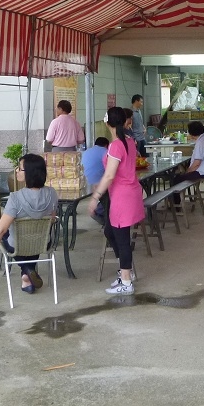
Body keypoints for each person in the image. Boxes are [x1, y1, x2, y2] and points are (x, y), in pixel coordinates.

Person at [0, 153, 57, 294]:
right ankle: (27, 276)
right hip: (43, 243)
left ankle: (26, 269)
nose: (16, 171)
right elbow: (52, 219)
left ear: (30, 173)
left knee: (4, 232)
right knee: (33, 236)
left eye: (20, 168)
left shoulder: (15, 198)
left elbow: (1, 231)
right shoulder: (52, 193)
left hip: (17, 246)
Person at [88, 106, 144, 295]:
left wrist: (95, 196)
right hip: (129, 193)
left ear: (107, 123)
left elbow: (110, 174)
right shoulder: (129, 141)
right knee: (110, 231)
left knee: (122, 239)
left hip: (122, 197)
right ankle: (125, 270)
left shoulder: (116, 145)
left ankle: (126, 281)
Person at [81, 136, 110, 223]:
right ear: (106, 145)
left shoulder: (86, 152)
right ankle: (100, 212)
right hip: (98, 183)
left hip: (84, 182)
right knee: (111, 194)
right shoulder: (106, 152)